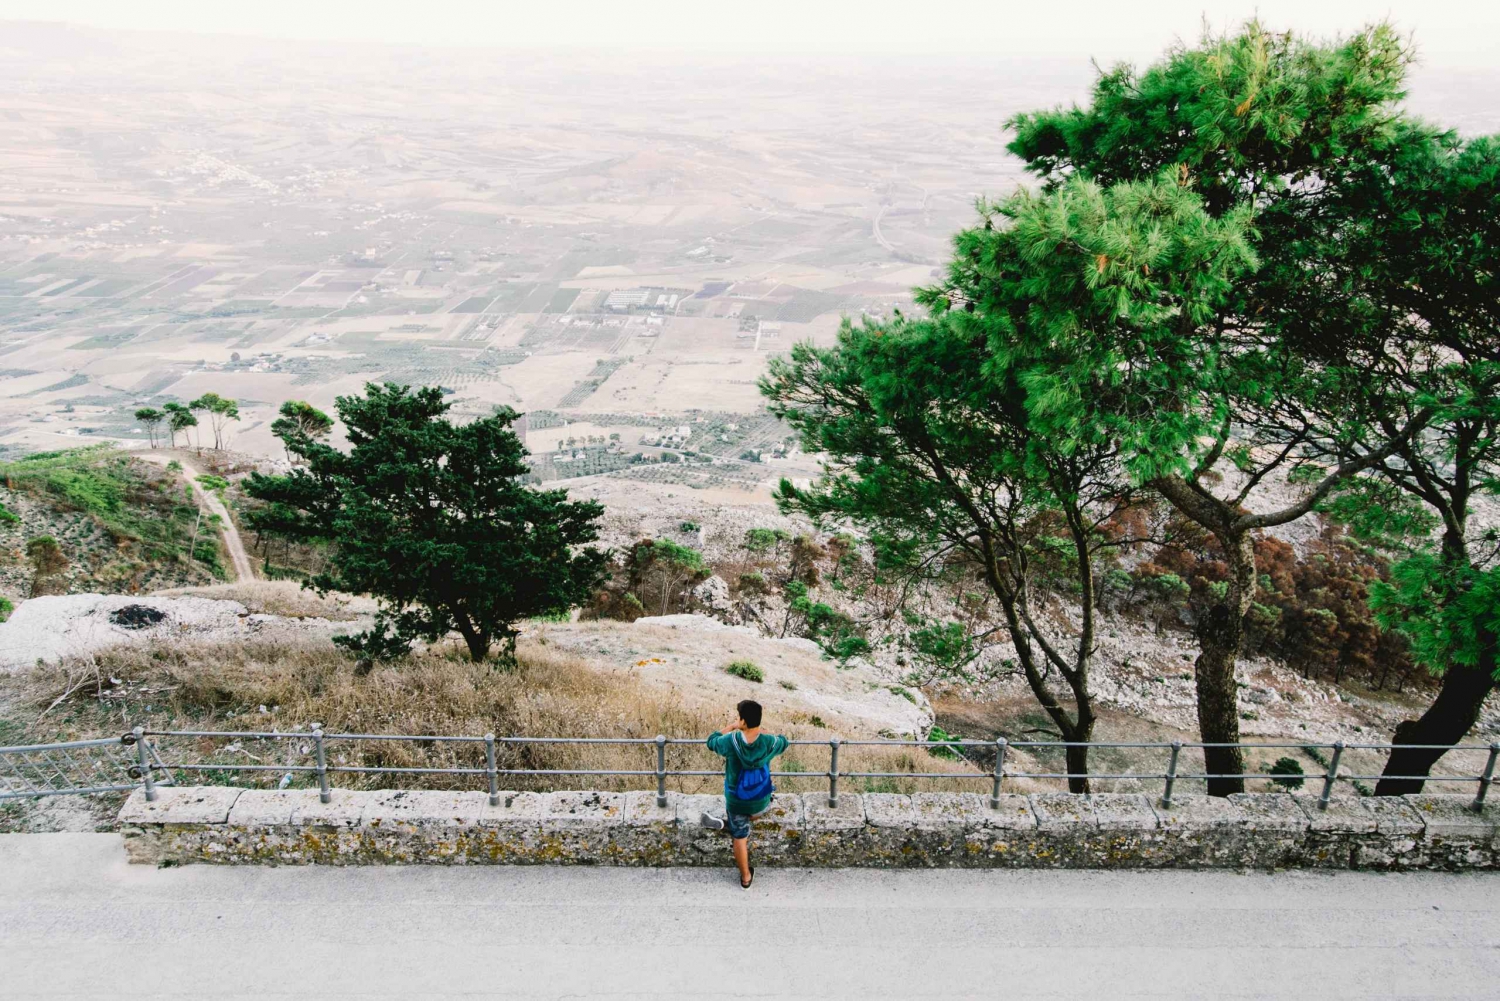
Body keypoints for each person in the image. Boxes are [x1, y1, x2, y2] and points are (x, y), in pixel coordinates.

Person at [700, 699, 788, 888]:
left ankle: (746, 877)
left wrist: (731, 727)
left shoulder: (731, 742)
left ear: (743, 721)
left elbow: (710, 741)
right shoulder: (769, 743)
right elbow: (784, 741)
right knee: (770, 794)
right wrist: (763, 732)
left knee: (739, 837)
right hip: (760, 802)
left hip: (737, 802)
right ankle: (734, 823)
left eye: (739, 718)